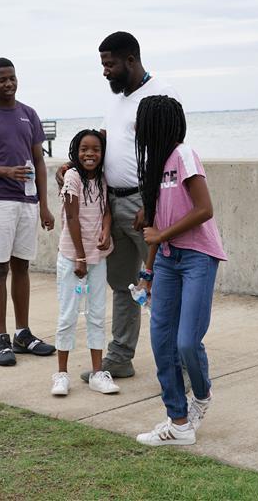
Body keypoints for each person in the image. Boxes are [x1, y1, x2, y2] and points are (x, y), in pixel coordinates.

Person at [57, 32, 181, 382]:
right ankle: (120, 358)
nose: (105, 71)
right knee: (123, 286)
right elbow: (103, 142)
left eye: (109, 64)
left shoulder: (161, 93)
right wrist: (72, 166)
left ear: (130, 60)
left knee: (160, 285)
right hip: (111, 203)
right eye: (103, 64)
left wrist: (152, 201)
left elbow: (169, 153)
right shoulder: (117, 100)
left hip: (145, 203)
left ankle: (178, 367)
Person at [131, 95, 227, 446]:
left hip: (197, 256)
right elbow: (155, 226)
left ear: (157, 124)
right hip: (167, 261)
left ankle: (201, 395)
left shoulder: (184, 155)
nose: (137, 128)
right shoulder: (152, 166)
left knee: (187, 342)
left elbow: (204, 209)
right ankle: (179, 423)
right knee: (161, 341)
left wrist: (161, 234)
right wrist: (147, 271)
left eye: (141, 122)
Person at [0, 57, 56, 367]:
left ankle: (22, 334)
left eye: (12, 78)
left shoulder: (29, 115)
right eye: (2, 79)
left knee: (22, 268)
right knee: (0, 268)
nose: (8, 83)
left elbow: (39, 161)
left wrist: (44, 205)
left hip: (27, 201)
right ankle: (0, 338)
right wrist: (6, 172)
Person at [51, 129, 119, 396]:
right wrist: (80, 256)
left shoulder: (102, 178)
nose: (90, 154)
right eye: (84, 149)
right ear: (75, 152)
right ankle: (61, 374)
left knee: (97, 314)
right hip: (73, 257)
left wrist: (106, 230)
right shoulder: (72, 177)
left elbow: (106, 210)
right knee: (68, 315)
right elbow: (71, 217)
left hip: (97, 258)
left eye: (96, 149)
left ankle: (97, 373)